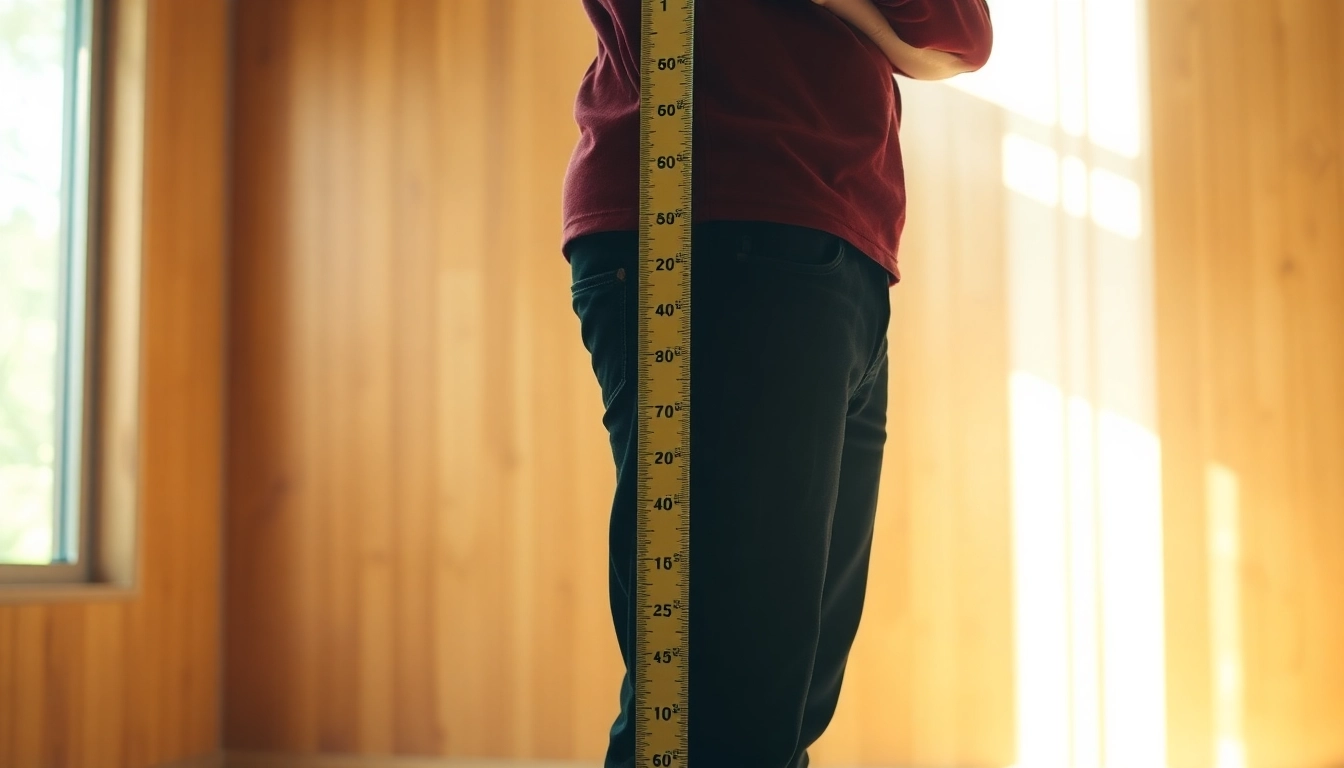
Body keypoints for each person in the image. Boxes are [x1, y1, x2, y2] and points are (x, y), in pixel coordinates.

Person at [561, 0, 993, 765]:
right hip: (716, 215)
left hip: (842, 245)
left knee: (781, 705)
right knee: (711, 706)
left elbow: (959, 39)